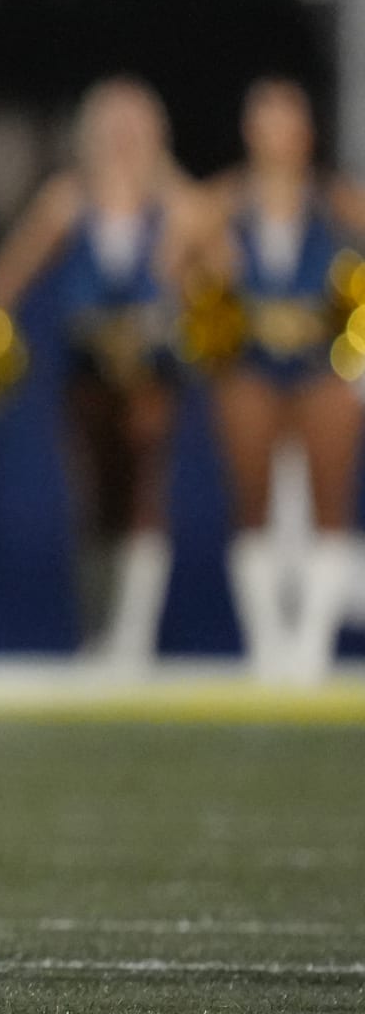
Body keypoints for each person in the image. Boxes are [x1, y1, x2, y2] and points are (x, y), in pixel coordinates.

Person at [0, 76, 208, 668]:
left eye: (135, 128)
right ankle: (100, 631)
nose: (123, 140)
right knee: (96, 498)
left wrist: (181, 266)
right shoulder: (68, 199)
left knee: (146, 488)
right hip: (88, 366)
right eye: (113, 127)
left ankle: (135, 637)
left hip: (151, 366)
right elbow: (6, 277)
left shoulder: (174, 203)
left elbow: (219, 271)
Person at [203, 77, 364, 682]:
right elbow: (169, 244)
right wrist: (208, 258)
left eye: (287, 121)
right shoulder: (224, 201)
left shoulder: (333, 199)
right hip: (249, 362)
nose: (276, 135)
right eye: (265, 121)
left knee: (331, 495)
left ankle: (313, 645)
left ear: (307, 133)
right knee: (251, 498)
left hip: (320, 361)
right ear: (249, 132)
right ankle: (266, 642)